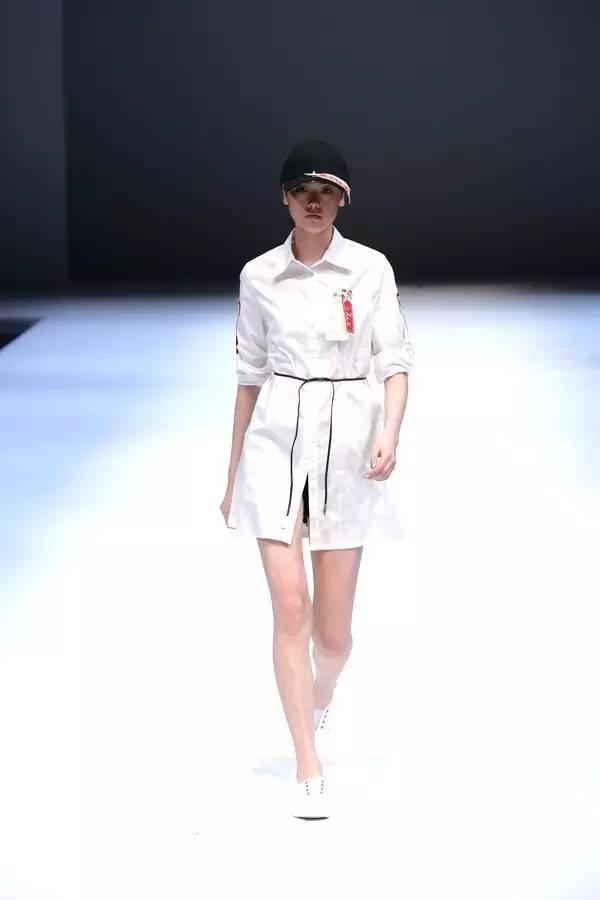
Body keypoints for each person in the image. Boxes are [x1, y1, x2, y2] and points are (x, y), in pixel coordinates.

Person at [220, 139, 414, 819]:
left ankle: (320, 696)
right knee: (290, 610)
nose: (314, 200)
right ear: (284, 198)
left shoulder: (369, 269)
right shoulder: (258, 276)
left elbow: (395, 360)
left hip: (348, 447)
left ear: (342, 201)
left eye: (327, 190)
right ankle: (308, 761)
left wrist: (390, 431)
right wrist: (233, 474)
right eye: (302, 189)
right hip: (275, 443)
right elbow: (248, 376)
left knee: (332, 638)